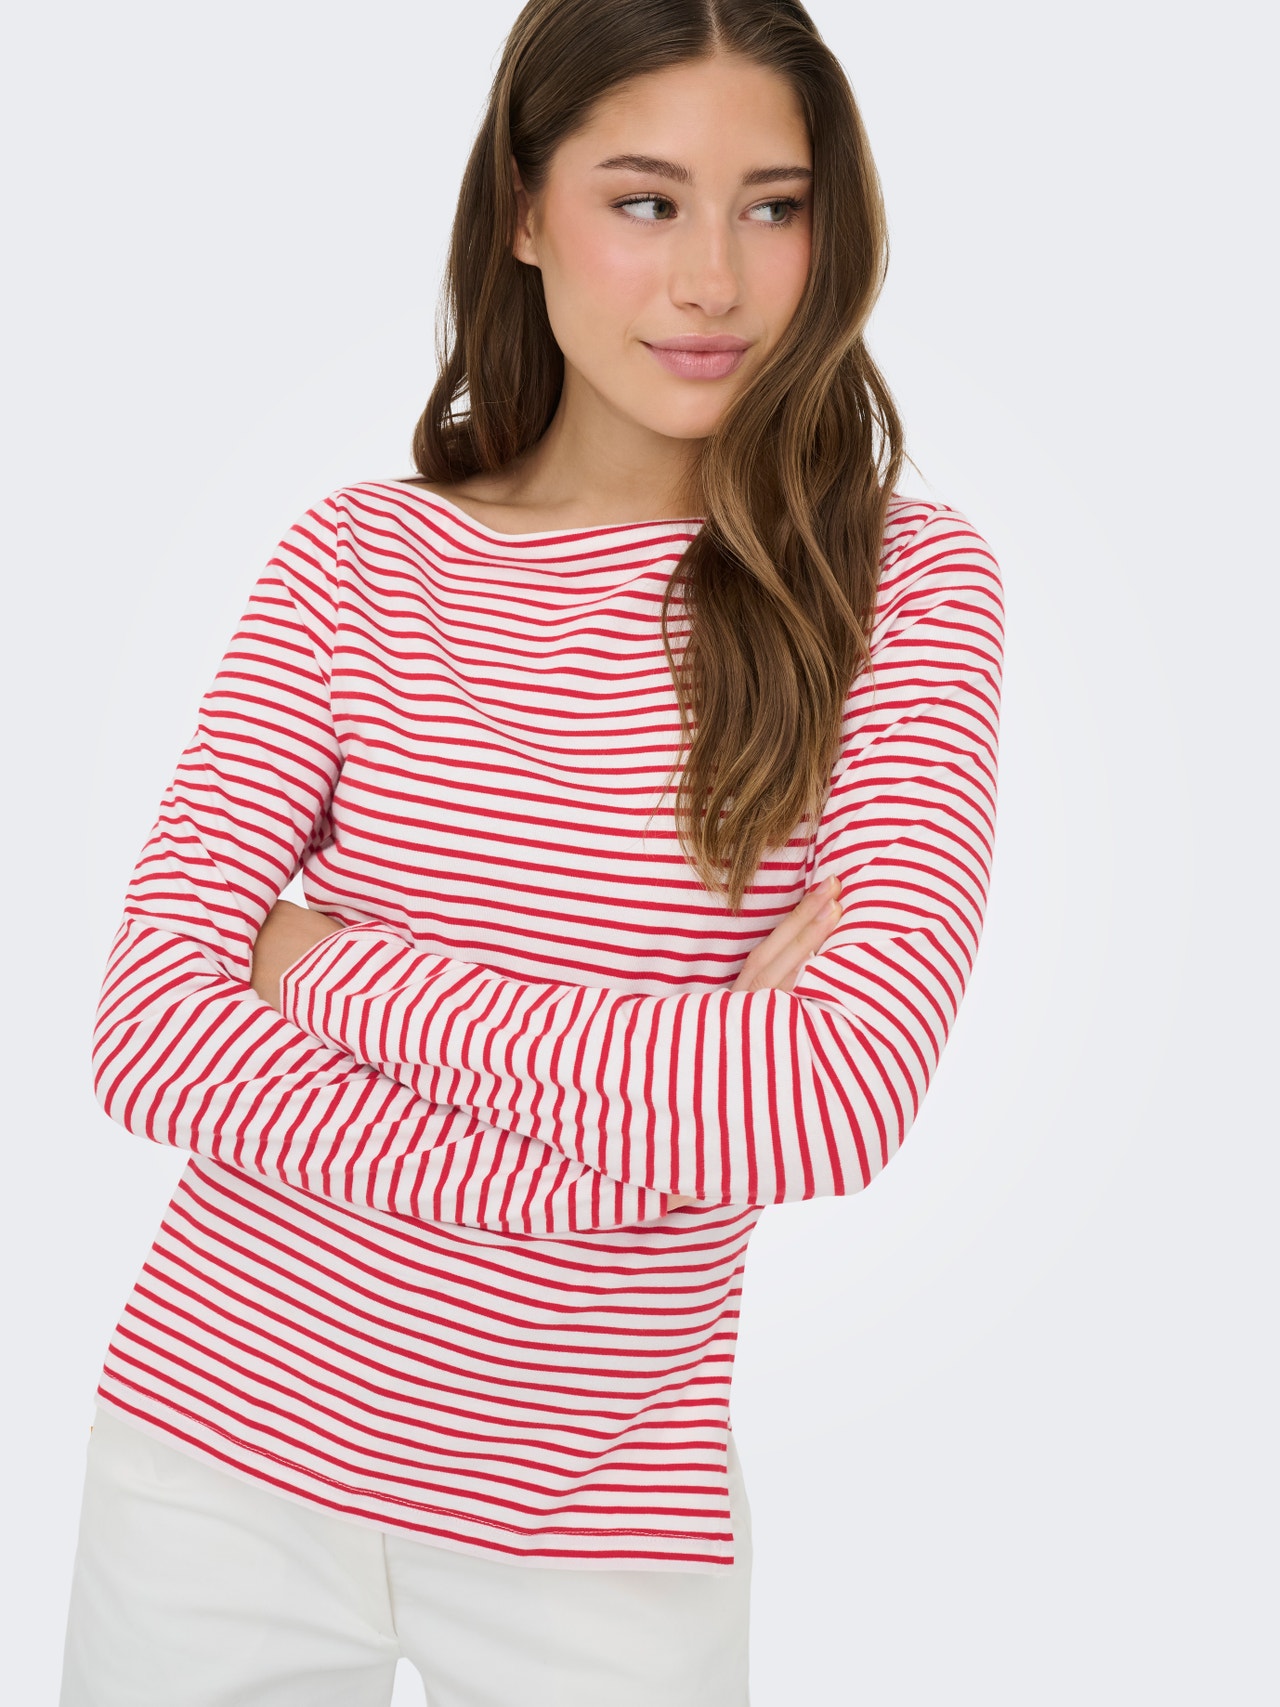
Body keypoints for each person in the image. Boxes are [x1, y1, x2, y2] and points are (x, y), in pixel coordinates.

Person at [59, 1, 1004, 1702]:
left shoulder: (902, 591)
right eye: (644, 200)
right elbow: (147, 1036)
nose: (712, 279)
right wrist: (660, 1141)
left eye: (773, 206)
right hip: (211, 1467)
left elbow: (831, 1100)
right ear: (522, 210)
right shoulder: (355, 563)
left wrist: (329, 967)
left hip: (601, 1529)